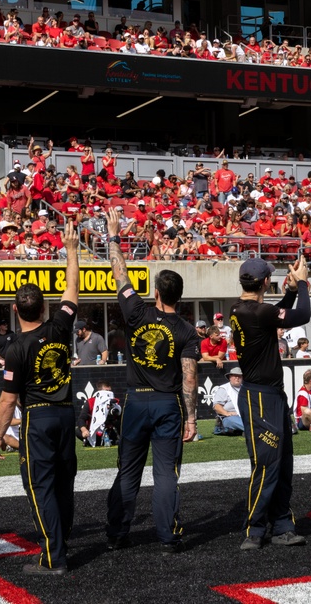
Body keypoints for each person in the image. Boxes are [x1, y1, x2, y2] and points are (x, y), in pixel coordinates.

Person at [102, 209, 199, 552]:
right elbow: (189, 377)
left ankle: (116, 534)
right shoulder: (186, 330)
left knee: (128, 472)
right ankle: (168, 537)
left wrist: (114, 236)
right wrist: (191, 417)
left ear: (156, 292)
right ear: (179, 296)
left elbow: (120, 273)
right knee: (165, 475)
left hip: (136, 401)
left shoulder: (137, 312)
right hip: (167, 403)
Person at [0, 223, 80, 575]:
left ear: (16, 310)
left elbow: (7, 401)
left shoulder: (15, 350)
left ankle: (53, 557)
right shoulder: (59, 327)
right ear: (44, 308)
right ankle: (62, 542)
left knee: (40, 486)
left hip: (39, 419)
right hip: (65, 415)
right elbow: (72, 290)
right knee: (63, 483)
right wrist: (71, 250)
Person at [231, 256, 311, 550]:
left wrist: (289, 292)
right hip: (260, 396)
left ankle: (281, 525)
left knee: (283, 464)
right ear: (265, 282)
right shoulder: (258, 312)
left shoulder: (242, 308)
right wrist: (301, 284)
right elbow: (302, 315)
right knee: (266, 464)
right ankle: (254, 528)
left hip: (268, 395)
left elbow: (276, 312)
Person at [212, 367, 244, 435]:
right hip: (229, 417)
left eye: (239, 376)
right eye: (235, 376)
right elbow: (217, 406)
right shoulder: (224, 389)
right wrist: (227, 413)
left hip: (244, 415)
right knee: (236, 421)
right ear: (230, 377)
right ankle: (252, 430)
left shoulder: (245, 388)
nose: (237, 378)